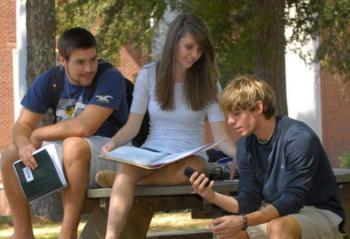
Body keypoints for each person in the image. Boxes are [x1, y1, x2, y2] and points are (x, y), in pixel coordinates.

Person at [99, 14, 236, 239]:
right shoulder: (148, 75)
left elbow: (221, 136)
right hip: (152, 154)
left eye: (200, 50)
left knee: (195, 171)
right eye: (189, 47)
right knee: (127, 168)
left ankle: (125, 181)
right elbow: (133, 126)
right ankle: (111, 236)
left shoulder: (209, 81)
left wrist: (240, 154)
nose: (194, 55)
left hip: (189, 156)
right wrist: (113, 143)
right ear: (174, 41)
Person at [0, 27, 128, 239]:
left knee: (73, 144)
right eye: (80, 62)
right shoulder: (51, 81)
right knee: (9, 155)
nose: (89, 68)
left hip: (113, 152)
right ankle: (22, 233)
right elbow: (21, 126)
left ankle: (67, 234)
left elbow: (86, 127)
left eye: (93, 59)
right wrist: (24, 145)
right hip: (71, 154)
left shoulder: (110, 77)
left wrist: (39, 134)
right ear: (62, 60)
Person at [189, 75, 345, 239]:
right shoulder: (244, 146)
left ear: (258, 107)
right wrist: (211, 196)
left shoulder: (298, 138)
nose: (230, 121)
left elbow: (292, 201)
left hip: (317, 211)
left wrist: (243, 221)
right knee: (227, 234)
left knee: (278, 227)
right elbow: (249, 200)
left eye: (236, 113)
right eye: (227, 115)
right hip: (272, 213)